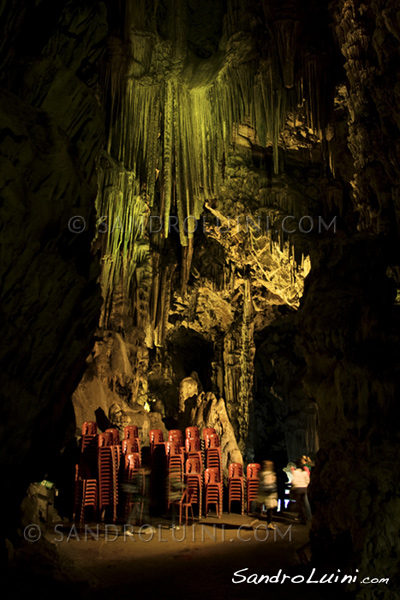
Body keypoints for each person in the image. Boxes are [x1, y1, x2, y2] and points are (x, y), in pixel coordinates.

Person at [252, 460, 278, 530]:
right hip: (269, 494)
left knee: (259, 507)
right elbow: (272, 484)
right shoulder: (271, 473)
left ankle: (256, 519)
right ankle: (269, 523)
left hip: (261, 493)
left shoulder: (261, 473)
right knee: (269, 510)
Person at [291, 458, 312, 524]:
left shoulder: (295, 472)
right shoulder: (305, 472)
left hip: (297, 489)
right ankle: (305, 517)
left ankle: (303, 518)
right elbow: (308, 480)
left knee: (300, 505)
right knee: (304, 503)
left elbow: (294, 481)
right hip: (304, 488)